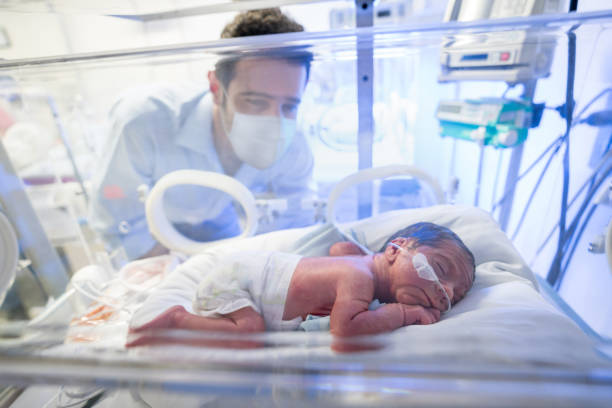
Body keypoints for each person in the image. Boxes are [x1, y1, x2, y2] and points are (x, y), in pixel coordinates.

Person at [89, 8, 315, 260]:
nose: (274, 121)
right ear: (216, 88)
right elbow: (117, 221)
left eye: (289, 106)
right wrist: (178, 276)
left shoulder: (294, 144)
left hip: (228, 235)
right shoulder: (145, 122)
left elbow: (295, 226)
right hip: (157, 241)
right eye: (255, 102)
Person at [127, 222, 475, 346]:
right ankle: (176, 320)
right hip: (241, 281)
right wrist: (404, 313)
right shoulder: (359, 276)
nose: (442, 290)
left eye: (454, 296)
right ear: (396, 249)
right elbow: (345, 334)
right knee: (248, 336)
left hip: (252, 271)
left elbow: (340, 249)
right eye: (440, 268)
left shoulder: (358, 263)